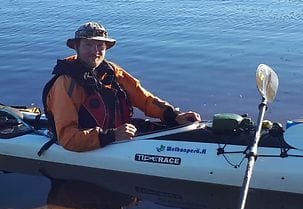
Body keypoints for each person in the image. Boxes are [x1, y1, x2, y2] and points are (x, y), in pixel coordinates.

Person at [43, 22, 200, 152]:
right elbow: (68, 138)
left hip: (119, 134)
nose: (95, 51)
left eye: (100, 46)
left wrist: (173, 115)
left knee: (175, 127)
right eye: (88, 44)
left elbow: (144, 99)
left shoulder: (111, 70)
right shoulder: (66, 82)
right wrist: (112, 136)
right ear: (76, 47)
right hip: (94, 141)